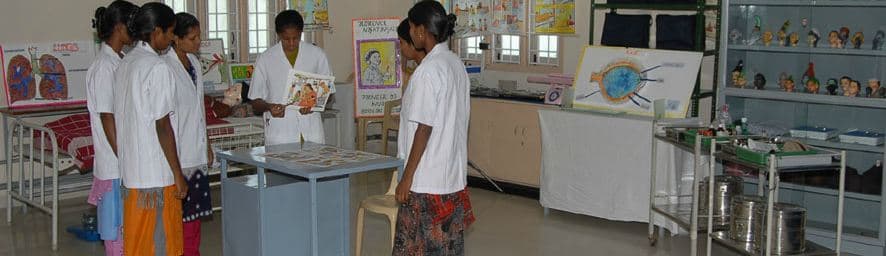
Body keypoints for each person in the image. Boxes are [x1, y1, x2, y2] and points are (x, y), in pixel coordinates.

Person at [393, 1, 475, 255]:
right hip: (451, 177)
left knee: (417, 248)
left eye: (411, 27)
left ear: (420, 31)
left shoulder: (428, 71)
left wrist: (406, 179)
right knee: (446, 249)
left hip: (426, 182)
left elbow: (424, 129)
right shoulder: (455, 64)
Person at [113, 2, 185, 255]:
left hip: (133, 173)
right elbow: (163, 125)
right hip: (156, 177)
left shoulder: (127, 62)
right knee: (161, 243)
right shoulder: (157, 67)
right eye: (170, 32)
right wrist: (178, 173)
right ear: (156, 32)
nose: (172, 38)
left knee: (138, 243)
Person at [85, 1, 138, 255]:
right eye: (132, 23)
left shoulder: (122, 60)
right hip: (115, 164)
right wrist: (125, 157)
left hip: (125, 162)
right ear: (119, 26)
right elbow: (108, 117)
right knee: (117, 233)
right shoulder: (104, 67)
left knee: (130, 231)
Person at [165, 12, 213, 256]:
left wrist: (208, 144)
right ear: (176, 38)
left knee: (194, 216)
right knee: (179, 217)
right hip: (178, 152)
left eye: (199, 37)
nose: (198, 43)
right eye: (192, 38)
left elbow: (199, 109)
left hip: (196, 149)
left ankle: (193, 252)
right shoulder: (165, 67)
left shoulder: (194, 64)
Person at [249, 10, 333, 145]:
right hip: (280, 133)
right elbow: (255, 102)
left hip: (312, 132)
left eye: (296, 37)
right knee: (280, 165)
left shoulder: (317, 55)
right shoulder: (265, 59)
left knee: (313, 164)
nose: (292, 43)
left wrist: (312, 105)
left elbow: (329, 95)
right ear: (278, 35)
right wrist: (270, 106)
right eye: (286, 39)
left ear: (301, 33)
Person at [397, 18, 427, 90]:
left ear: (413, 42)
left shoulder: (424, 74)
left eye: (401, 42)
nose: (400, 48)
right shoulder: (421, 68)